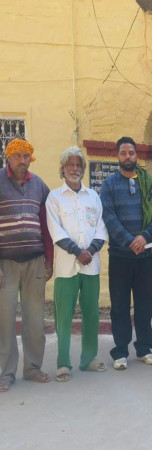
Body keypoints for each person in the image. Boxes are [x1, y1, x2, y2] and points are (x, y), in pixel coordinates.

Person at [45, 147, 108, 382]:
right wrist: (77, 252)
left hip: (91, 264)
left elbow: (101, 228)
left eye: (78, 164)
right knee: (64, 316)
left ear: (83, 169)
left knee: (91, 313)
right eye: (70, 164)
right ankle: (63, 363)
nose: (74, 168)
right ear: (62, 169)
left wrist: (89, 251)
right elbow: (55, 230)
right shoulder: (54, 198)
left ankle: (88, 358)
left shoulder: (93, 197)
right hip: (66, 266)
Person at [101, 136, 152, 370]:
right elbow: (109, 217)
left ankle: (144, 348)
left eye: (132, 153)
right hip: (120, 256)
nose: (128, 157)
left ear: (137, 155)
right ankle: (120, 351)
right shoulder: (109, 185)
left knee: (145, 305)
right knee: (120, 306)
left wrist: (144, 237)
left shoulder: (148, 183)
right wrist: (129, 241)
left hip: (145, 256)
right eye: (124, 153)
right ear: (117, 156)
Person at [0, 138, 53, 392]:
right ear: (8, 158)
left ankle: (33, 368)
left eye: (27, 156)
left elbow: (47, 224)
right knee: (4, 320)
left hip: (35, 262)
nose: (23, 161)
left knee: (35, 319)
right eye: (18, 156)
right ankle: (5, 372)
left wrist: (49, 259)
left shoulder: (39, 185)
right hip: (5, 264)